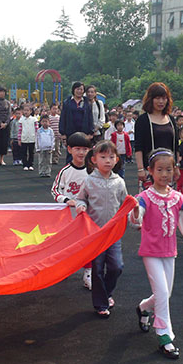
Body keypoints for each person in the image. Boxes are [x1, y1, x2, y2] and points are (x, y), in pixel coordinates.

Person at [131, 149, 183, 360]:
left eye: (168, 169)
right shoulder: (145, 197)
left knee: (165, 294)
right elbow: (137, 219)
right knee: (161, 291)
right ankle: (164, 335)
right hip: (151, 252)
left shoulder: (178, 199)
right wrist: (135, 213)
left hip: (169, 252)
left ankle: (143, 308)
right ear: (150, 171)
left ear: (174, 171)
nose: (164, 174)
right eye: (159, 170)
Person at [75, 140, 128, 317]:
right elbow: (81, 198)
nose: (107, 161)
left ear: (116, 159)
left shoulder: (119, 182)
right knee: (97, 269)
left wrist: (135, 220)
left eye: (111, 157)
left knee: (116, 267)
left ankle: (107, 292)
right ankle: (101, 304)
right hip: (95, 233)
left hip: (113, 233)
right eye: (103, 157)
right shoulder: (89, 181)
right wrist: (81, 205)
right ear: (94, 160)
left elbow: (125, 204)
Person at [52, 132, 94, 289]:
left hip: (88, 215)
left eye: (85, 149)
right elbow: (55, 190)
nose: (81, 153)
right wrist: (65, 200)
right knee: (67, 243)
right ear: (69, 149)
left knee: (88, 243)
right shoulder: (65, 172)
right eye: (77, 149)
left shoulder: (93, 171)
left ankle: (88, 273)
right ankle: (65, 268)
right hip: (69, 216)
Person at [134, 83, 177, 189]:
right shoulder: (143, 120)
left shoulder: (171, 119)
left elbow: (176, 146)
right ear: (150, 99)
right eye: (157, 98)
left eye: (164, 98)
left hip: (168, 171)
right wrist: (140, 169)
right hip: (149, 171)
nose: (161, 102)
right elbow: (138, 147)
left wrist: (176, 167)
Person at [59, 82, 94, 163]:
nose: (79, 91)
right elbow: (63, 117)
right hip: (70, 132)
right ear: (73, 90)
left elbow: (90, 117)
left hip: (84, 132)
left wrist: (91, 132)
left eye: (81, 89)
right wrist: (62, 133)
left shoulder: (87, 102)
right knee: (71, 152)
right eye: (78, 89)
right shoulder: (67, 102)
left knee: (83, 153)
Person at [18, 104, 37, 171]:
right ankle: (25, 164)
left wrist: (37, 138)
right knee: (24, 152)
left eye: (27, 110)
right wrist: (19, 139)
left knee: (31, 152)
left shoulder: (34, 119)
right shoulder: (21, 120)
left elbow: (36, 129)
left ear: (31, 111)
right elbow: (20, 130)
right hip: (24, 138)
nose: (26, 112)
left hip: (32, 138)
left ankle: (30, 164)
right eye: (25, 110)